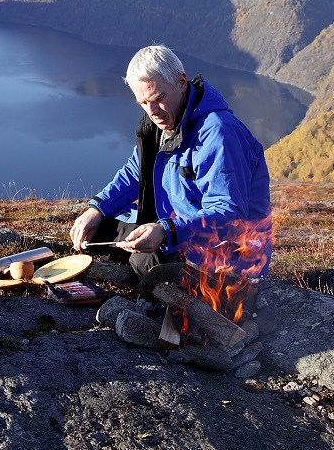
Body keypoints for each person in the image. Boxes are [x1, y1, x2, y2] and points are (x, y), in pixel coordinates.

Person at [70, 45, 272, 279]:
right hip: (179, 230)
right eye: (143, 103)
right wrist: (97, 209)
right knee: (96, 231)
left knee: (145, 260)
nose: (152, 111)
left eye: (158, 98)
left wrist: (167, 232)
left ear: (182, 82)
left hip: (229, 253)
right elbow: (137, 172)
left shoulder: (218, 134)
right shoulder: (162, 124)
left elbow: (228, 215)